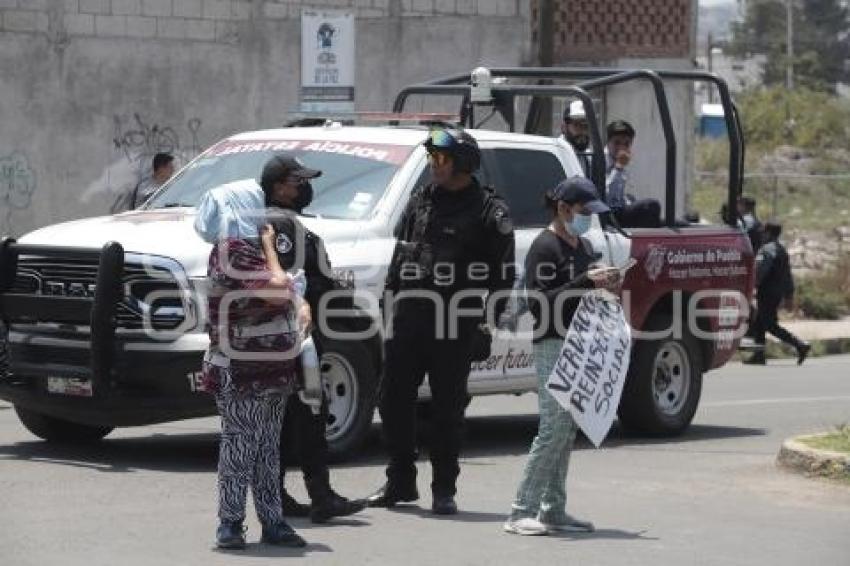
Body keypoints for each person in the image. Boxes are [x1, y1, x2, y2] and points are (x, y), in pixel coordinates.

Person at [366, 127, 516, 515]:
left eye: (443, 159)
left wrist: (488, 323)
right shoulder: (421, 201)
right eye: (433, 157)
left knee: (447, 409)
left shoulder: (487, 211)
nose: (435, 164)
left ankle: (444, 489)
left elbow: (503, 275)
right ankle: (400, 481)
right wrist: (390, 300)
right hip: (410, 319)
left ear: (464, 163)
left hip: (456, 323)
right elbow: (402, 254)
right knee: (391, 399)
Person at [193, 180, 308, 550]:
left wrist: (296, 297)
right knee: (240, 447)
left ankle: (272, 521)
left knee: (267, 449)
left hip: (271, 368)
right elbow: (277, 289)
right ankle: (230, 523)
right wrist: (273, 251)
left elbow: (288, 294)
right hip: (241, 370)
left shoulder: (249, 250)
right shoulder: (234, 252)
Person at [503, 176, 619, 536]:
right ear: (564, 209)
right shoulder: (544, 246)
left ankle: (552, 509)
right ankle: (521, 509)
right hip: (553, 342)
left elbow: (586, 292)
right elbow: (541, 302)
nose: (588, 219)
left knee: (567, 430)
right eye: (584, 212)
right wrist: (586, 281)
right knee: (552, 427)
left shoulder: (581, 245)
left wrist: (609, 284)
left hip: (580, 346)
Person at [257, 154, 367, 524]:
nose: (304, 188)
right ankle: (319, 496)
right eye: (297, 181)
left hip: (285, 336)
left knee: (288, 418)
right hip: (294, 336)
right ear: (278, 187)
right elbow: (289, 280)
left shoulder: (280, 222)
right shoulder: (280, 224)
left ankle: (283, 496)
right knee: (308, 414)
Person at [744, 220, 811, 366]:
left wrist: (753, 284)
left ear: (768, 233)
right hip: (776, 292)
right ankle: (759, 354)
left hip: (767, 292)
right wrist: (789, 295)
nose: (762, 235)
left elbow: (760, 270)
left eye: (763, 233)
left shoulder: (767, 250)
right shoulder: (781, 249)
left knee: (770, 325)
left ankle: (800, 345)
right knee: (759, 323)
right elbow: (787, 275)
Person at [604, 120, 661, 228]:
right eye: (617, 143)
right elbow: (608, 198)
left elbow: (620, 197)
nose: (622, 148)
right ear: (608, 142)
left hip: (620, 211)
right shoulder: (599, 161)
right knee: (651, 206)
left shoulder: (620, 160)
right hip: (608, 217)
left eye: (626, 144)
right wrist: (619, 168)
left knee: (677, 224)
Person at [561, 100, 591, 175]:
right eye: (577, 125)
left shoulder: (589, 157)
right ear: (564, 127)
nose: (583, 131)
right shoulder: (557, 154)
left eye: (586, 126)